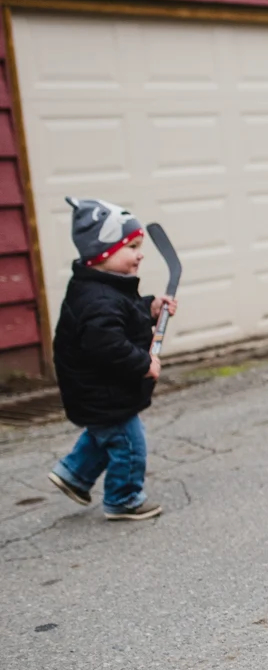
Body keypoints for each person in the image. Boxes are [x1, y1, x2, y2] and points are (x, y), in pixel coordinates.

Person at [47, 197, 177, 521]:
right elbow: (109, 346)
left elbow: (125, 315)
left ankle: (73, 474)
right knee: (128, 443)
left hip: (97, 390)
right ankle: (123, 498)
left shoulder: (103, 287)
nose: (140, 253)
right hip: (102, 390)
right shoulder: (97, 299)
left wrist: (150, 308)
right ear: (102, 252)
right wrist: (143, 363)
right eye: (131, 246)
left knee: (104, 433)